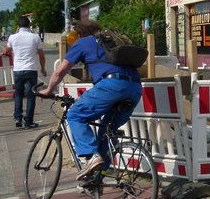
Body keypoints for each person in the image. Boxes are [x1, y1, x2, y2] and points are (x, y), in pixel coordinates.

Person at [39, 20, 142, 181]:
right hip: (135, 88)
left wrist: (48, 90)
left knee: (75, 115)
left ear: (80, 33)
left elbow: (60, 71)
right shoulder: (112, 42)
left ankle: (91, 157)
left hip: (111, 86)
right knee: (107, 133)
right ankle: (97, 179)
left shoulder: (83, 43)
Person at [7, 16, 47, 129]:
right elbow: (41, 55)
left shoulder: (12, 37)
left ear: (18, 26)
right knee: (31, 95)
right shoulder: (35, 37)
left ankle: (18, 118)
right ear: (29, 25)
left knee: (18, 94)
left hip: (18, 70)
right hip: (31, 69)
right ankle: (29, 121)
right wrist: (43, 68)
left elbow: (8, 49)